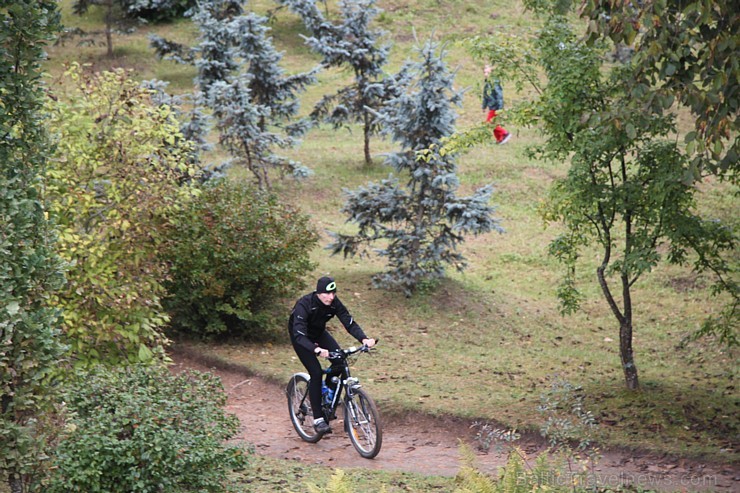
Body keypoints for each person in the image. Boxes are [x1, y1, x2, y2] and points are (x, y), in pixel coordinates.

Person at [288, 276, 376, 436]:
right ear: (318, 293)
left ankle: (328, 395)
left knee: (340, 361)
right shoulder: (304, 305)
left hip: (318, 333)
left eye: (333, 293)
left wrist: (364, 339)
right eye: (327, 294)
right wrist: (316, 350)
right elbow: (299, 334)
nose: (331, 297)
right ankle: (318, 420)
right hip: (301, 338)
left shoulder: (334, 303)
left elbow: (349, 322)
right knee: (315, 372)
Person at [482, 64, 511, 145]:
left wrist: (500, 107)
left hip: (495, 107)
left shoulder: (494, 83)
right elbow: (485, 96)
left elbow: (499, 96)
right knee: (494, 124)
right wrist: (484, 106)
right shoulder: (487, 83)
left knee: (489, 123)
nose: (486, 74)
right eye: (484, 72)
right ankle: (500, 139)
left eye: (488, 72)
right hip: (491, 106)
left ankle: (505, 133)